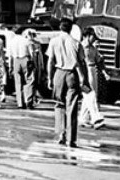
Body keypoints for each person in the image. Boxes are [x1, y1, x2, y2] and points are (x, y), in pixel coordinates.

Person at [47, 17, 88, 147]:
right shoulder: (76, 43)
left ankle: (61, 134)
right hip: (72, 74)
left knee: (59, 105)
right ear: (71, 29)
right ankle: (71, 139)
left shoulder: (54, 41)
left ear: (60, 27)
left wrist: (49, 77)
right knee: (72, 106)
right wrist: (83, 79)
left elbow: (50, 61)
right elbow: (80, 62)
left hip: (59, 72)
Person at [79, 28, 106, 129]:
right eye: (93, 37)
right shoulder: (80, 47)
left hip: (92, 70)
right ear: (88, 35)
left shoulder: (93, 49)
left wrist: (104, 72)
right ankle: (95, 117)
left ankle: (83, 118)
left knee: (89, 96)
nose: (94, 39)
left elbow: (98, 60)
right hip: (84, 70)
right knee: (91, 94)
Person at [6, 27, 35, 109]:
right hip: (25, 59)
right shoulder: (26, 41)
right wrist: (33, 62)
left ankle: (20, 103)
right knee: (29, 80)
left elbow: (10, 55)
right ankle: (28, 101)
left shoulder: (11, 42)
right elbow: (31, 53)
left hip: (16, 60)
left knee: (18, 82)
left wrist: (10, 66)